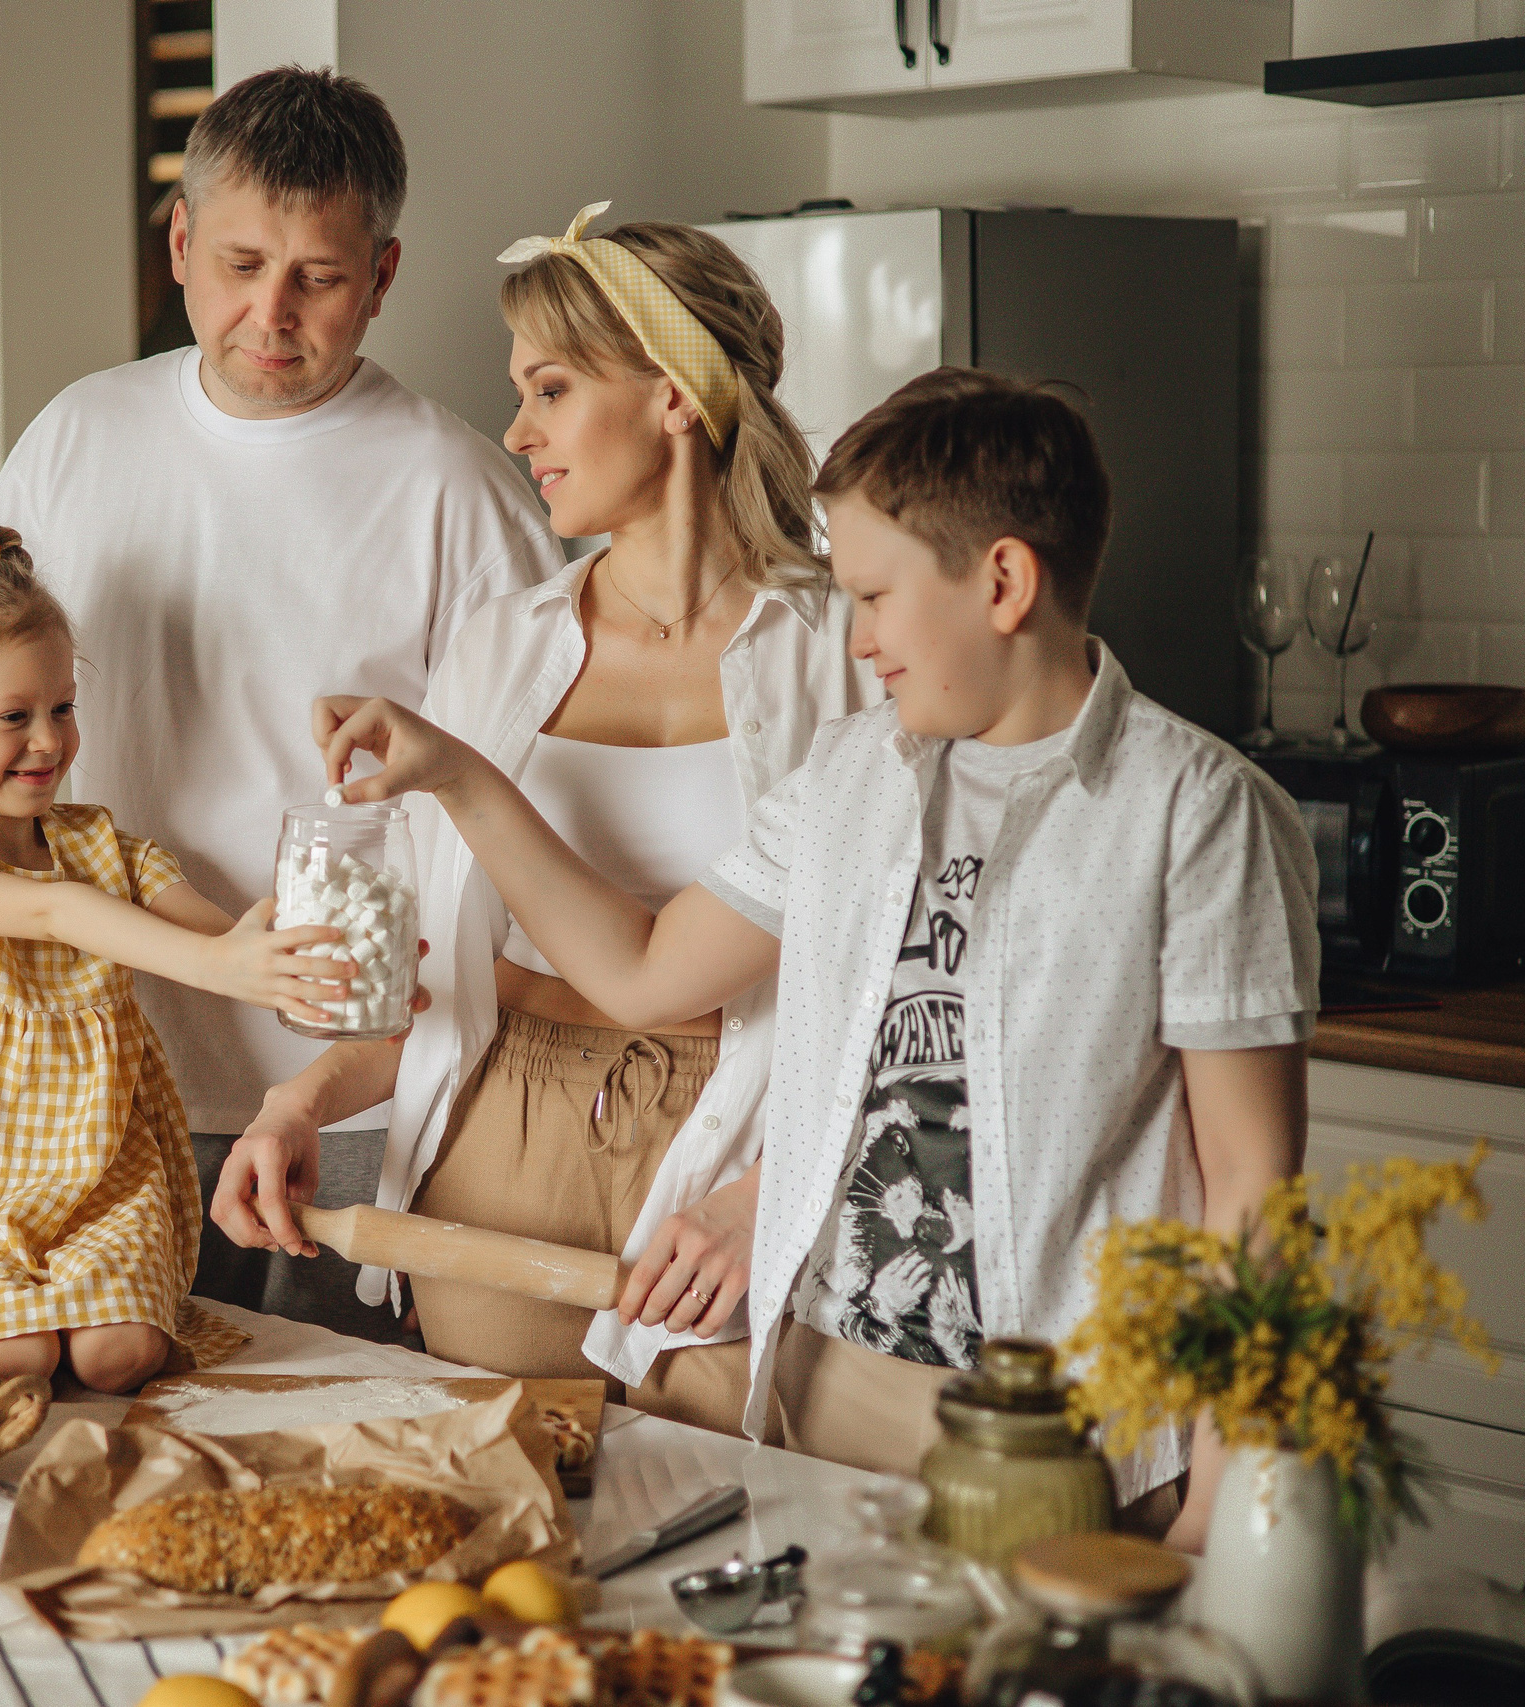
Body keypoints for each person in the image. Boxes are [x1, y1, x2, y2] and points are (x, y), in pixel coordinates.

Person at [304, 370, 1320, 1542]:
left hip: (1056, 1428)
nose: (861, 640)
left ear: (1003, 582)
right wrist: (459, 777)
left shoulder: (1199, 813)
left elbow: (1252, 1189)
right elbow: (641, 968)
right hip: (803, 1380)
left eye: (876, 598)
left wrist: (1216, 1497)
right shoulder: (848, 773)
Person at [210, 203, 876, 1433]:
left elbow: (901, 1004)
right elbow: (419, 982)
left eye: (552, 390)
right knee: (517, 1527)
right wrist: (297, 1103)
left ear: (674, 395)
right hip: (498, 1152)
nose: (518, 433)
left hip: (738, 1158)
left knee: (730, 1528)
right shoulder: (498, 652)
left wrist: (768, 1194)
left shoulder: (844, 651)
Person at [0, 67, 555, 1334]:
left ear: (385, 276)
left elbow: (529, 817)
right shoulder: (73, 441)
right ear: (180, 241)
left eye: (319, 277)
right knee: (93, 1433)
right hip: (92, 1064)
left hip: (343, 1098)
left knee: (327, 1449)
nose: (270, 311)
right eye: (240, 262)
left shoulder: (459, 492)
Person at [0, 528, 357, 1392]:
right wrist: (219, 967)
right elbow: (52, 912)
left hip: (100, 1181)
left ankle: (101, 1331)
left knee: (114, 1356)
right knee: (14, 1357)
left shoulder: (102, 845)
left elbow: (218, 937)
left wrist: (284, 952)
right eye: (14, 717)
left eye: (63, 707)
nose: (49, 740)